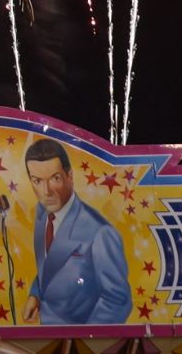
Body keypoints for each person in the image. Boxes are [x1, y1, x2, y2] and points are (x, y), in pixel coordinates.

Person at [24, 136, 133, 325]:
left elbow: (118, 301)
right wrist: (36, 294)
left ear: (70, 177)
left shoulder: (100, 233)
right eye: (37, 181)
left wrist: (83, 342)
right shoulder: (42, 214)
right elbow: (51, 265)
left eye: (55, 179)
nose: (46, 191)